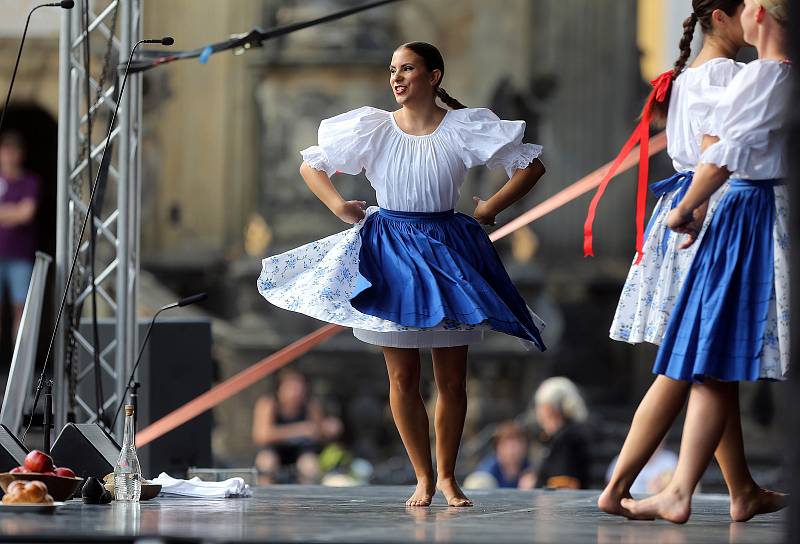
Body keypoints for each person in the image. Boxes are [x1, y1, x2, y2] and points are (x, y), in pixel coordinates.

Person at [258, 41, 547, 506]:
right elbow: (312, 166)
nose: (396, 77)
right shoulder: (373, 128)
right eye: (393, 69)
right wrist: (339, 206)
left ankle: (449, 476)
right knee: (401, 377)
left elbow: (530, 167)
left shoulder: (461, 127)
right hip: (390, 249)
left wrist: (491, 207)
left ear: (433, 77)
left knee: (452, 378)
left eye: (407, 69)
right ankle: (423, 476)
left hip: (447, 246)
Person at [617, 0, 790, 523]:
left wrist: (689, 203)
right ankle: (645, 484)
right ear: (724, 16)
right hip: (720, 207)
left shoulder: (712, 76)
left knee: (706, 359)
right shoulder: (739, 75)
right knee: (705, 358)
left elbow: (717, 146)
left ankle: (727, 488)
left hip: (708, 205)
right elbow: (719, 149)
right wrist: (694, 203)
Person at [252, 369, 342, 484]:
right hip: (274, 449)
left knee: (310, 466)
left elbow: (318, 433)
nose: (296, 392)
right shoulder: (269, 403)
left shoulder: (311, 405)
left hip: (302, 450)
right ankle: (264, 498)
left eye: (300, 387)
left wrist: (328, 429)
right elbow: (261, 436)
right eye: (291, 387)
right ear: (280, 388)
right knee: (266, 462)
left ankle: (308, 498)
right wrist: (299, 429)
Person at [0, 131, 40, 343]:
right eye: (5, 151)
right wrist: (14, 212)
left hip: (20, 256)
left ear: (20, 155)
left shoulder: (30, 182)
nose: (9, 156)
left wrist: (6, 212)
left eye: (13, 151)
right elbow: (20, 212)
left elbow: (26, 214)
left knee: (20, 309)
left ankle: (18, 363)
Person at [530, 377, 590, 490]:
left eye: (541, 406)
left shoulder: (567, 438)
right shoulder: (560, 436)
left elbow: (564, 485)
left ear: (550, 409)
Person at [471, 421, 533, 489]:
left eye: (519, 443)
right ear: (497, 447)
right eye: (508, 445)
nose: (514, 450)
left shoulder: (530, 467)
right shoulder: (487, 471)